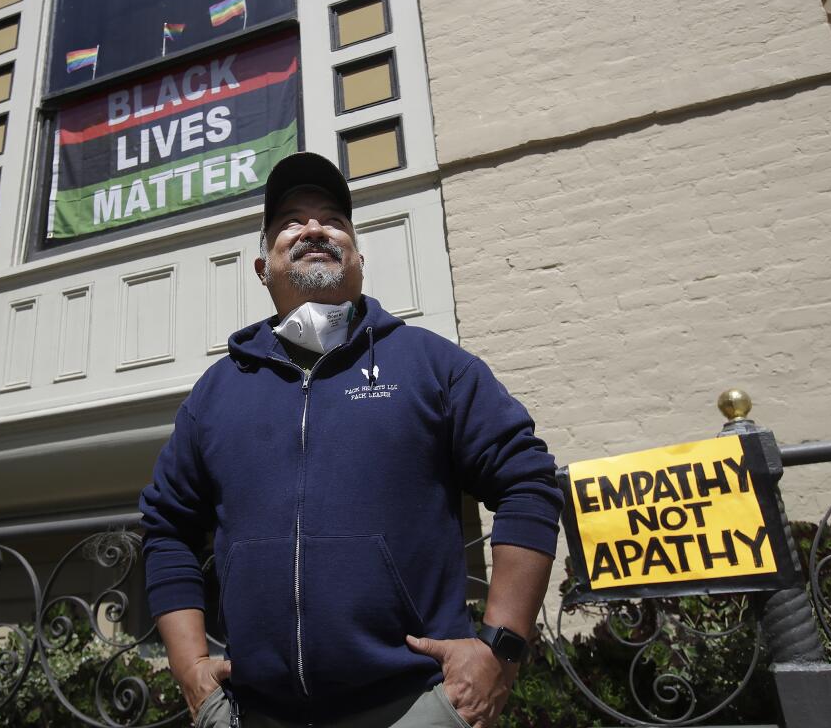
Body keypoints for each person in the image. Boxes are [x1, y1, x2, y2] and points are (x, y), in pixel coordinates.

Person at [139, 152, 563, 728]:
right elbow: (168, 528)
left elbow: (528, 482)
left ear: (358, 258)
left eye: (334, 220)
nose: (314, 228)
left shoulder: (432, 365)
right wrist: (190, 669)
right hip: (254, 713)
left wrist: (501, 650)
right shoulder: (215, 394)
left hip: (416, 707)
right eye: (291, 221)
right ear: (262, 266)